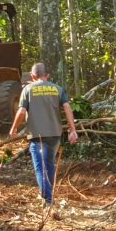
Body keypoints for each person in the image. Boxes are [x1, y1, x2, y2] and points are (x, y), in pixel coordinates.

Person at [9, 63, 78, 207]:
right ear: (47, 75)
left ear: (33, 76)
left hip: (37, 136)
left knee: (41, 168)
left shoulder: (28, 89)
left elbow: (21, 111)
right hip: (55, 135)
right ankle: (48, 196)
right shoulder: (58, 89)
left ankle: (47, 200)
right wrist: (73, 130)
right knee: (49, 165)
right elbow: (67, 107)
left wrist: (14, 128)